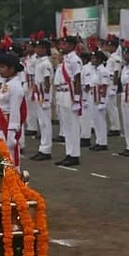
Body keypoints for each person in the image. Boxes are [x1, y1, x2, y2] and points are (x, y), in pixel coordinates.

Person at [53, 35, 84, 167]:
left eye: (64, 44)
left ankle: (74, 155)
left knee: (73, 126)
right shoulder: (64, 59)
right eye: (61, 44)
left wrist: (77, 98)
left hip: (69, 94)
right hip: (61, 93)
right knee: (66, 126)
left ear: (72, 45)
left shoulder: (74, 60)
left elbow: (77, 79)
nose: (61, 47)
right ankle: (69, 153)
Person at [0, 53, 27, 170]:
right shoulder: (7, 83)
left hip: (7, 127)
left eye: (2, 67)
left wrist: (12, 133)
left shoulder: (15, 86)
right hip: (0, 126)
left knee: (11, 162)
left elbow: (15, 111)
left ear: (12, 68)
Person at [29, 38, 54, 161]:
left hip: (43, 95)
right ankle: (43, 147)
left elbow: (47, 82)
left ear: (44, 49)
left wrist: (47, 99)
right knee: (41, 122)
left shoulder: (46, 63)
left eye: (39, 48)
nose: (36, 50)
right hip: (39, 94)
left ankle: (46, 149)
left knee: (45, 123)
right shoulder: (39, 61)